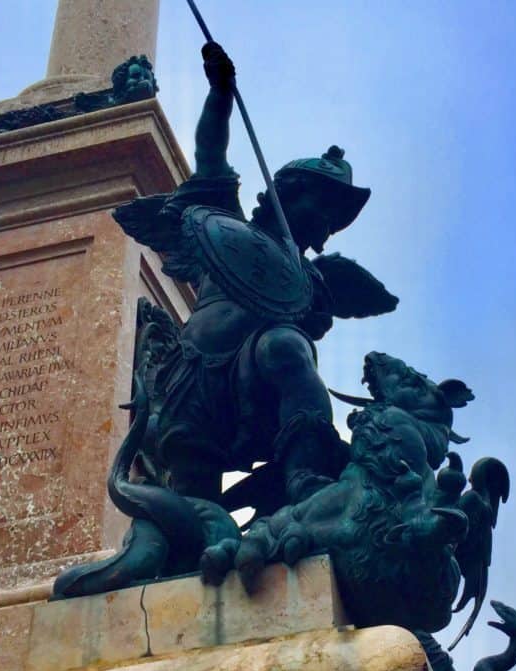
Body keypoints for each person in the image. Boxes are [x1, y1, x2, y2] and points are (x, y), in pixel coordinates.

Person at [113, 42, 395, 508]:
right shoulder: (226, 224)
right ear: (286, 194)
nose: (326, 226)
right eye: (323, 208)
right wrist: (221, 92)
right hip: (195, 373)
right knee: (193, 500)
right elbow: (210, 149)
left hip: (257, 373)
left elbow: (309, 326)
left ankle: (306, 475)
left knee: (286, 345)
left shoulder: (309, 278)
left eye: (333, 220)